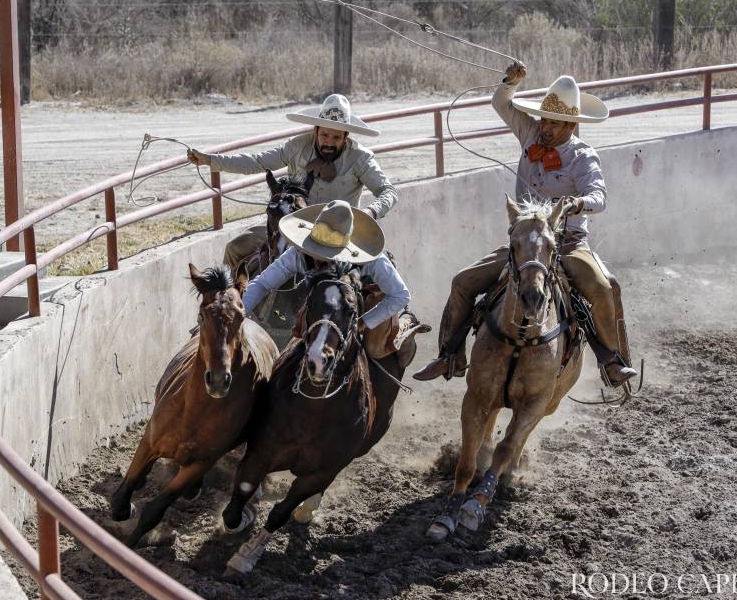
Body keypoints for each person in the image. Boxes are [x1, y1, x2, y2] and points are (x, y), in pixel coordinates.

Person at [413, 64, 638, 387]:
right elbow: (502, 104)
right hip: (525, 243)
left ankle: (612, 361)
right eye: (544, 119)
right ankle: (451, 354)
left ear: (571, 125)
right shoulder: (530, 134)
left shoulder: (583, 156)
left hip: (567, 242)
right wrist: (510, 83)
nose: (545, 127)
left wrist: (576, 203)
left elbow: (599, 196)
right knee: (463, 281)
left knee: (604, 288)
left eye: (554, 122)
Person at [187, 94, 399, 273]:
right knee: (236, 248)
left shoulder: (360, 158)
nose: (329, 142)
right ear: (315, 130)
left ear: (346, 137)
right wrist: (211, 160)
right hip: (291, 225)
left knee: (380, 275)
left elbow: (388, 191)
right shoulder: (297, 147)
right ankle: (232, 309)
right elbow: (257, 161)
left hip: (339, 234)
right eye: (325, 135)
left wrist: (370, 212)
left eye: (336, 137)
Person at [243, 199, 414, 360]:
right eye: (315, 251)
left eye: (325, 255)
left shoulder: (372, 259)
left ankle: (405, 329)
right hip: (322, 300)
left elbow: (400, 295)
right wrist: (240, 312)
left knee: (374, 349)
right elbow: (263, 283)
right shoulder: (297, 253)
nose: (318, 258)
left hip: (365, 297)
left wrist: (363, 322)